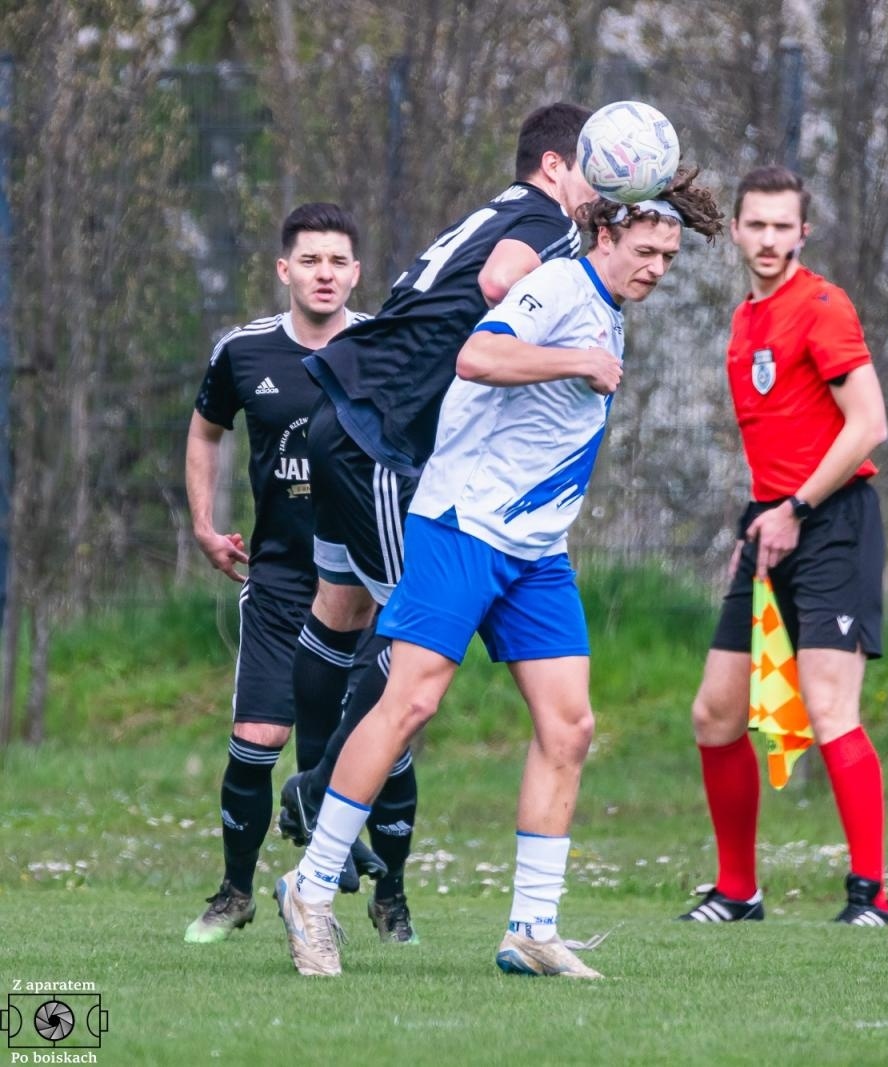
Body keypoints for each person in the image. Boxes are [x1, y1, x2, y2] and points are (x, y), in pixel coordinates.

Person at [274, 169, 725, 978]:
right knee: (409, 702)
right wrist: (577, 360)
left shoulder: (609, 310)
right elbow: (477, 355)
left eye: (668, 256)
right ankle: (309, 889)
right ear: (606, 234)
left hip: (536, 550)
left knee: (569, 725)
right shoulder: (560, 286)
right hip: (463, 525)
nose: (657, 267)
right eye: (646, 250)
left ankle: (531, 928)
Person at [275, 103, 596, 944]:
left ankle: (322, 793)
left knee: (344, 610)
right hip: (380, 437)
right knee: (412, 648)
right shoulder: (545, 222)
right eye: (594, 168)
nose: (600, 188)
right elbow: (496, 283)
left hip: (349, 414)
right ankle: (318, 796)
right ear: (556, 166)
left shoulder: (501, 207)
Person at [679, 165, 888, 927]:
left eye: (782, 226)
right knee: (715, 713)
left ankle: (872, 894)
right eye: (756, 225)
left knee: (830, 706)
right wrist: (763, 519)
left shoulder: (823, 306)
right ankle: (738, 890)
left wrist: (797, 506)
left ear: (803, 232)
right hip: (770, 527)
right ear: (736, 230)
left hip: (832, 522)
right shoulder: (745, 319)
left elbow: (869, 424)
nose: (768, 239)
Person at [184, 203, 378, 942]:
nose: (324, 273)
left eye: (338, 261)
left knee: (363, 743)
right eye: (310, 260)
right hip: (279, 580)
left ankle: (361, 894)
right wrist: (204, 525)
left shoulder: (382, 346)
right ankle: (234, 892)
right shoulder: (244, 351)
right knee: (258, 736)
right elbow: (206, 430)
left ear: (356, 273)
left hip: (362, 584)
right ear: (284, 269)